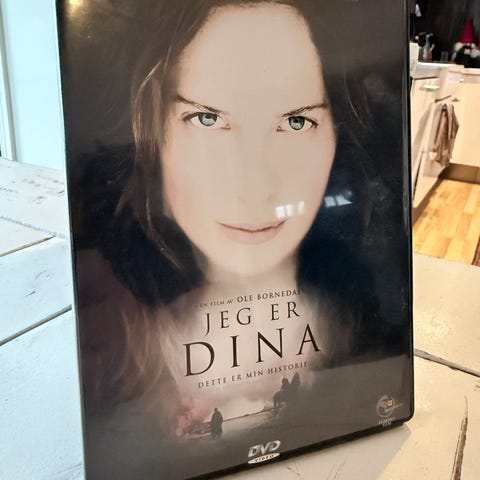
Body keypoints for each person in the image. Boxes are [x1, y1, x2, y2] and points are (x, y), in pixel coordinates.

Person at [65, 0, 411, 476]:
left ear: (338, 135)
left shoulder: (375, 346)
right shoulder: (106, 339)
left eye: (295, 122)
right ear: (149, 131)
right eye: (207, 119)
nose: (254, 186)